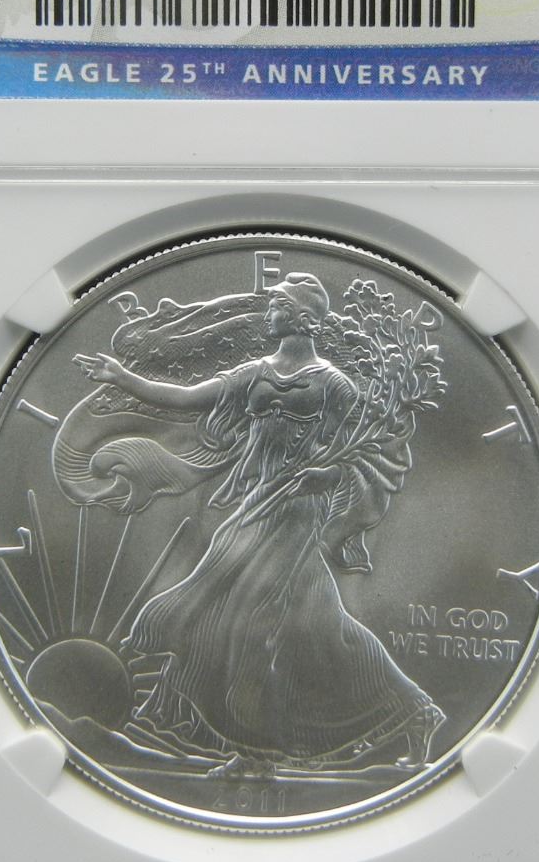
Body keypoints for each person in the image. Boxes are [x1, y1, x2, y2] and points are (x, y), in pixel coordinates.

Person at [73, 273, 444, 769]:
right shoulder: (255, 373)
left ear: (301, 317)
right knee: (316, 626)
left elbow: (365, 453)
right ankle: (401, 714)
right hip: (256, 502)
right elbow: (186, 398)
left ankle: (257, 748)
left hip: (296, 512)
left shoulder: (333, 384)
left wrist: (326, 475)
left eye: (277, 306)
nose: (268, 313)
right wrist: (123, 378)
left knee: (244, 615)